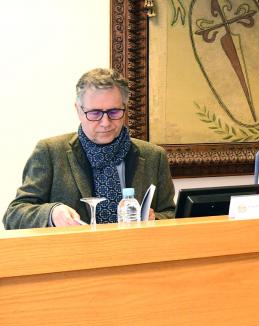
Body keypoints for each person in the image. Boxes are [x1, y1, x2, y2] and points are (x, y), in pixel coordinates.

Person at [4, 68, 176, 229]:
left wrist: (155, 219)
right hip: (73, 258)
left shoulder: (154, 156)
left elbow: (171, 213)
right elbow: (13, 215)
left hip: (136, 256)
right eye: (94, 113)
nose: (105, 122)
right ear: (78, 110)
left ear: (125, 108)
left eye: (114, 112)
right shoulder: (50, 152)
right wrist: (51, 213)